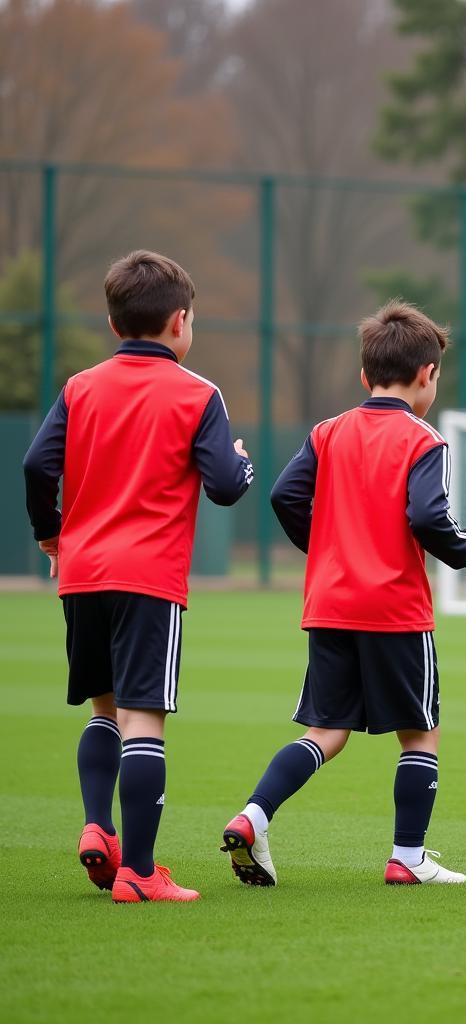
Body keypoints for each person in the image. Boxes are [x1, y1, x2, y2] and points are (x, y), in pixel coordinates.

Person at [220, 300, 466, 887]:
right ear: (428, 374)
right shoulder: (424, 441)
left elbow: (283, 497)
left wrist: (325, 553)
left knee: (325, 732)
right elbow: (427, 515)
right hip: (395, 610)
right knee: (420, 732)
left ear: (364, 375)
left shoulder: (327, 432)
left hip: (330, 605)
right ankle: (409, 858)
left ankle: (254, 815)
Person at [23, 250, 253, 903]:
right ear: (180, 321)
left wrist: (51, 531)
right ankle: (141, 872)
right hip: (148, 577)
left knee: (103, 708)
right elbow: (229, 488)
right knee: (144, 718)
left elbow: (37, 467)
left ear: (111, 321)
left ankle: (98, 829)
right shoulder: (198, 393)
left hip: (81, 573)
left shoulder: (80, 387)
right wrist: (239, 460)